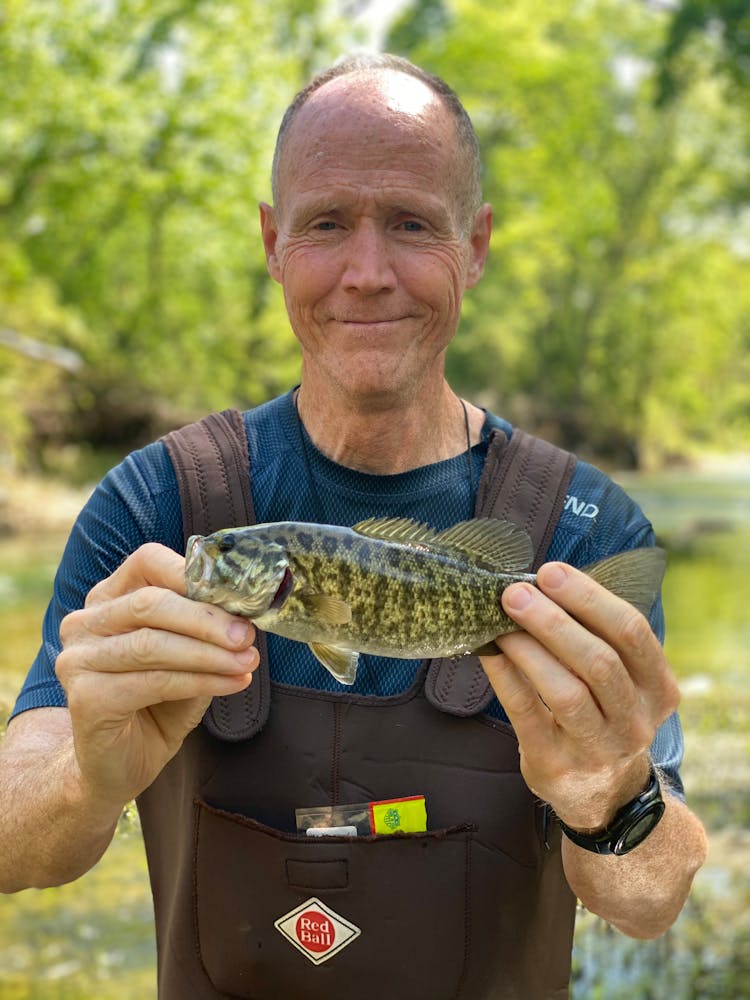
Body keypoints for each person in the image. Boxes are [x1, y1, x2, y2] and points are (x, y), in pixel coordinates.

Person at [0, 53, 706, 999]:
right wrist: (85, 780)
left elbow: (651, 904)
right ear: (271, 242)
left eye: (413, 224)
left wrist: (613, 799)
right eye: (326, 223)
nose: (367, 274)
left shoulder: (584, 531)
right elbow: (13, 846)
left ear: (477, 244)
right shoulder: (153, 505)